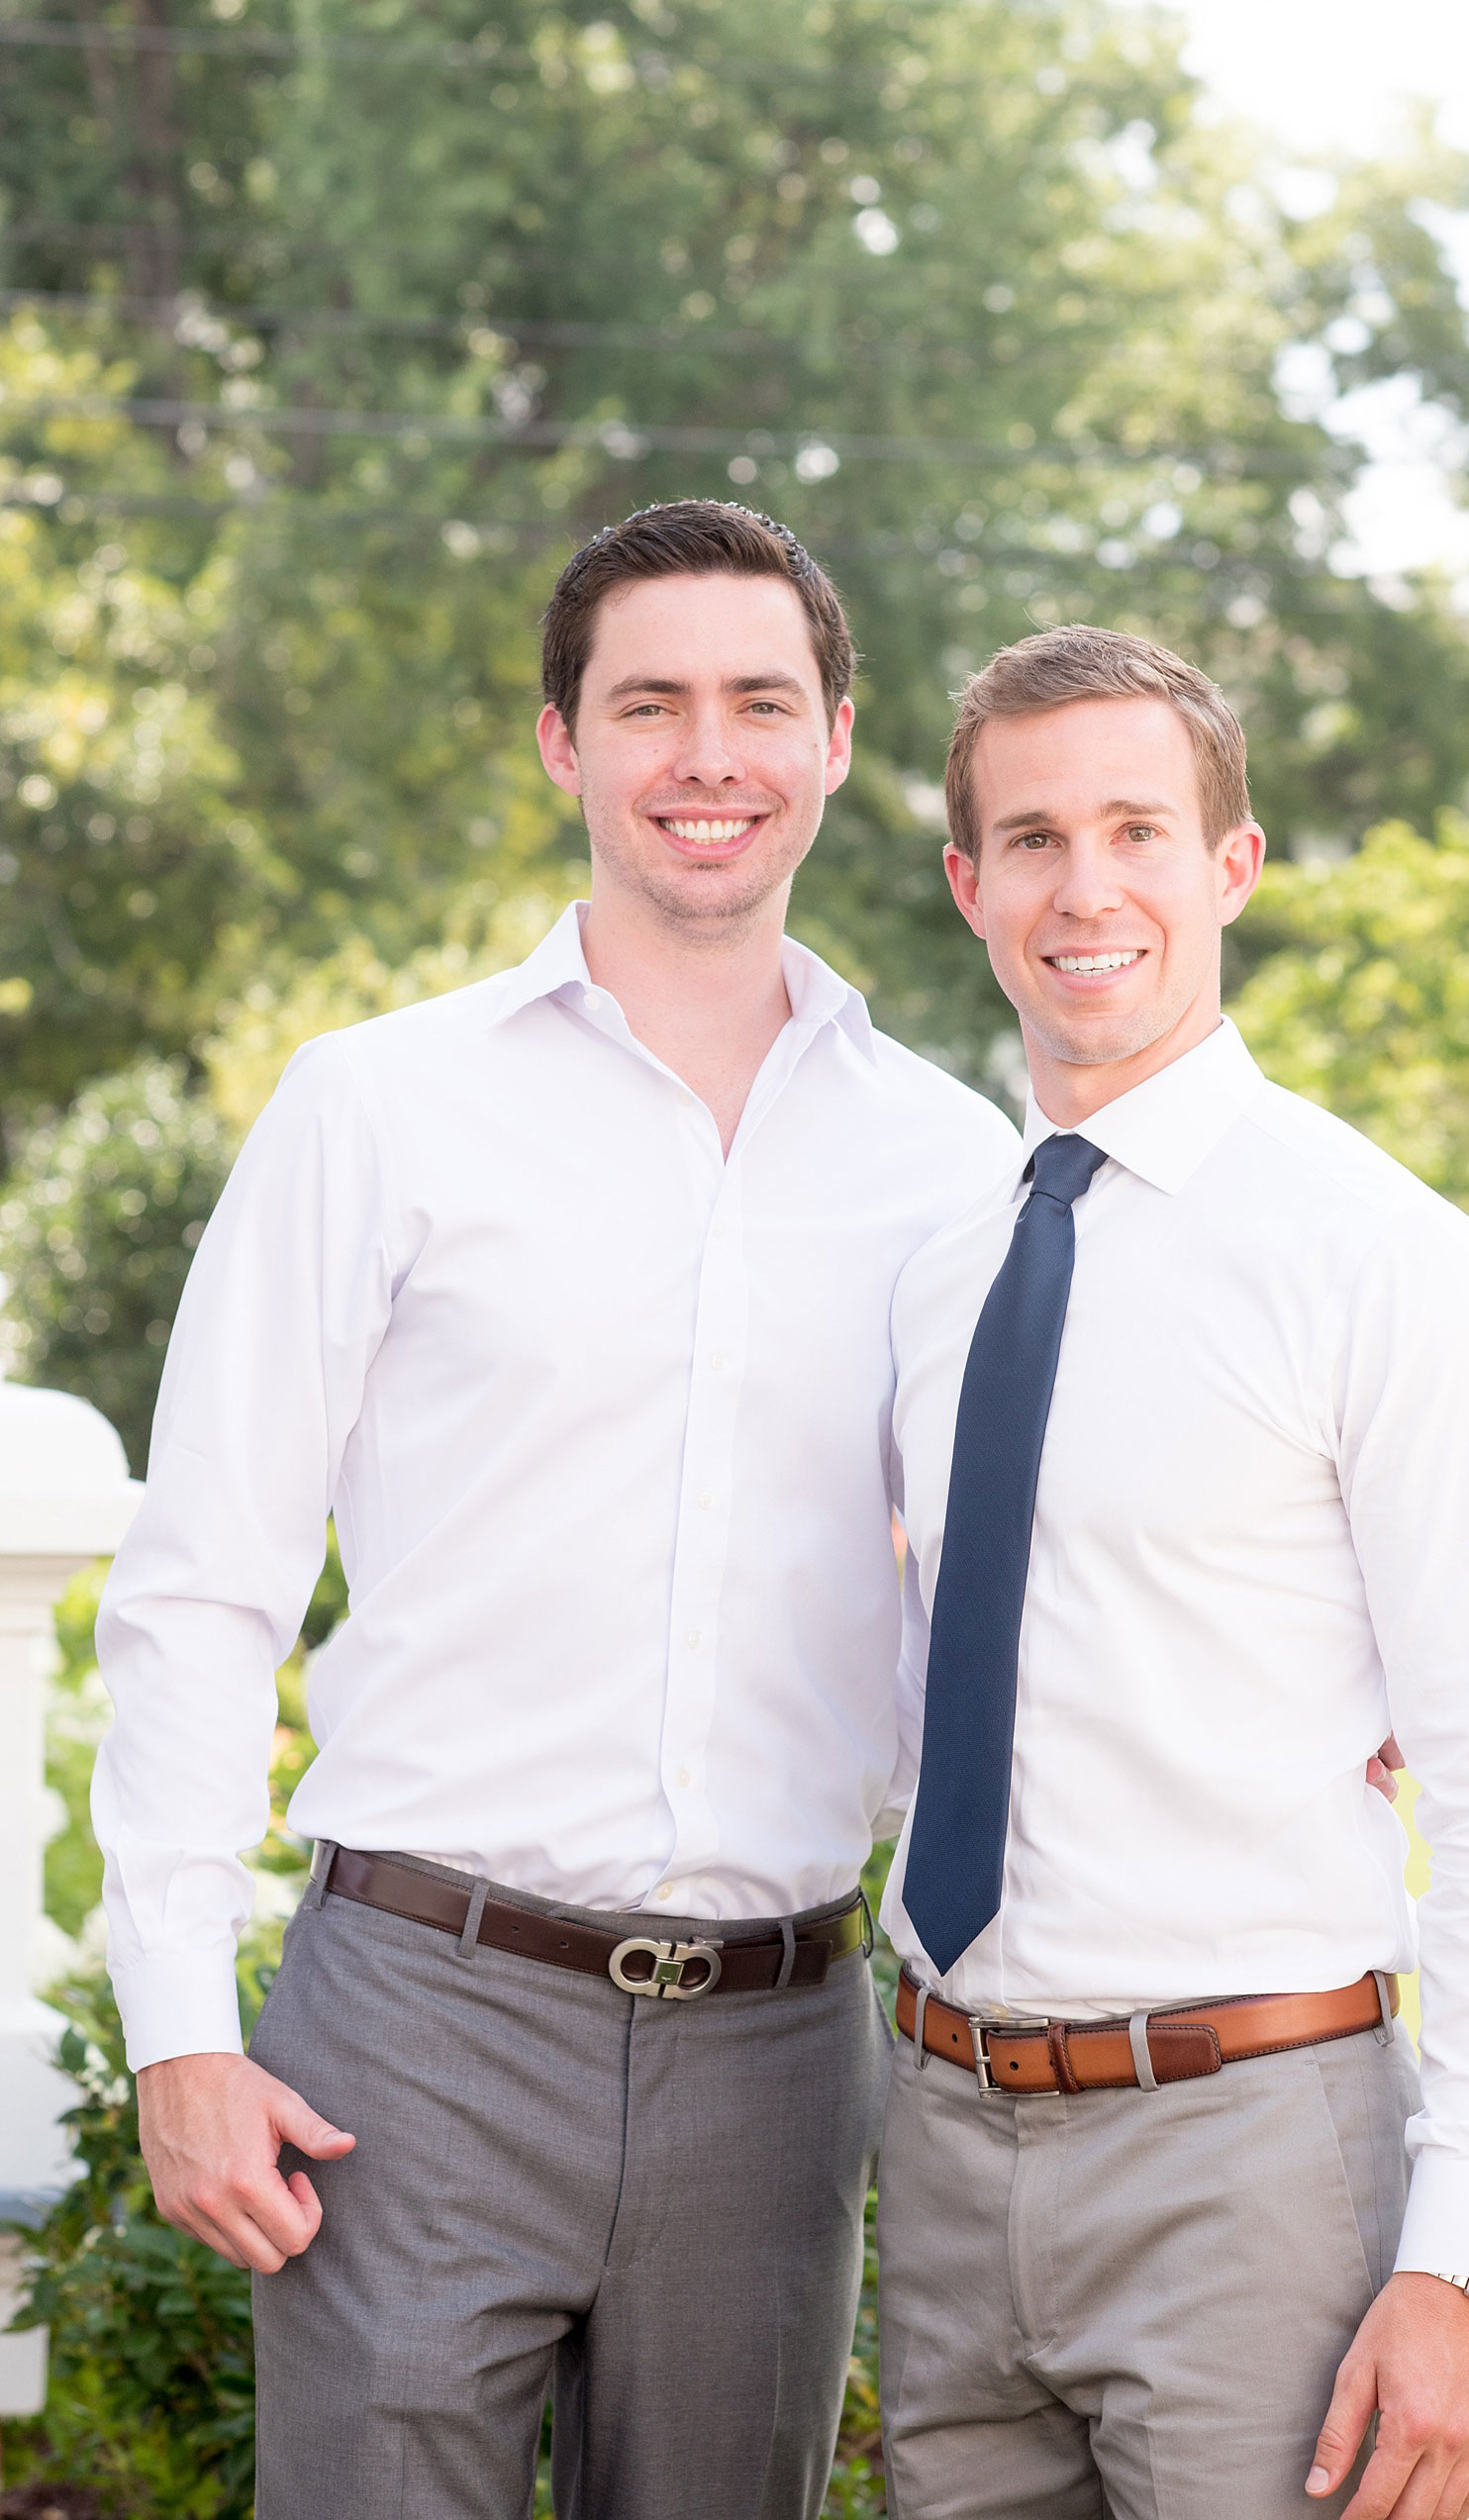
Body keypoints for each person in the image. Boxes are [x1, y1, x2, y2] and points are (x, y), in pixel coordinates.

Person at [88, 500, 1021, 2520]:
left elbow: (1020, 1580)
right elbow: (202, 1580)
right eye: (650, 703)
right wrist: (177, 2019)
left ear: (837, 738)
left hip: (779, 2045)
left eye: (760, 701)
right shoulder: (380, 1106)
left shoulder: (955, 1164)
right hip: (412, 2025)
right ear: (561, 744)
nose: (709, 753)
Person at [875, 626, 1469, 2520]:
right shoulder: (938, 1271)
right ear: (969, 886)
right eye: (1031, 838)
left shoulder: (1387, 1267)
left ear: (1232, 866)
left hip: (1252, 2155)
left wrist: (1458, 2259)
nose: (1084, 884)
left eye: (1137, 826)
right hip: (947, 2144)